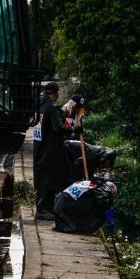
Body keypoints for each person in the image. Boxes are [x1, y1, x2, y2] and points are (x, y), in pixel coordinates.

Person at [33, 82, 82, 220]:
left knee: (43, 178)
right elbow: (59, 128)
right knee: (51, 179)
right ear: (54, 93)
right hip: (51, 149)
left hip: (39, 147)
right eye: (57, 92)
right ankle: (44, 209)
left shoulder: (40, 105)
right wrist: (73, 129)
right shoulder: (52, 107)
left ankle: (42, 208)